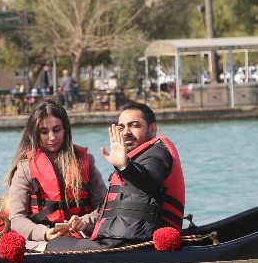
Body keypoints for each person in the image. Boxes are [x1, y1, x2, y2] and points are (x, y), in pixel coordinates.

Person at [46, 101, 185, 251]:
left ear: (152, 129)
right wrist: (84, 223)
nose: (126, 132)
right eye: (121, 127)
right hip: (118, 242)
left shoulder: (157, 153)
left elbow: (151, 182)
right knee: (62, 240)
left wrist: (124, 166)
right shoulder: (134, 160)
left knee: (55, 245)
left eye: (134, 125)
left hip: (134, 244)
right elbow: (114, 210)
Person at [3, 98, 107, 251]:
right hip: (44, 241)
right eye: (44, 132)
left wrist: (85, 222)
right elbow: (17, 218)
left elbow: (104, 206)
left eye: (57, 130)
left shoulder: (86, 161)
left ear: (65, 129)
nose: (52, 137)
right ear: (35, 134)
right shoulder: (25, 168)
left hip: (82, 236)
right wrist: (45, 233)